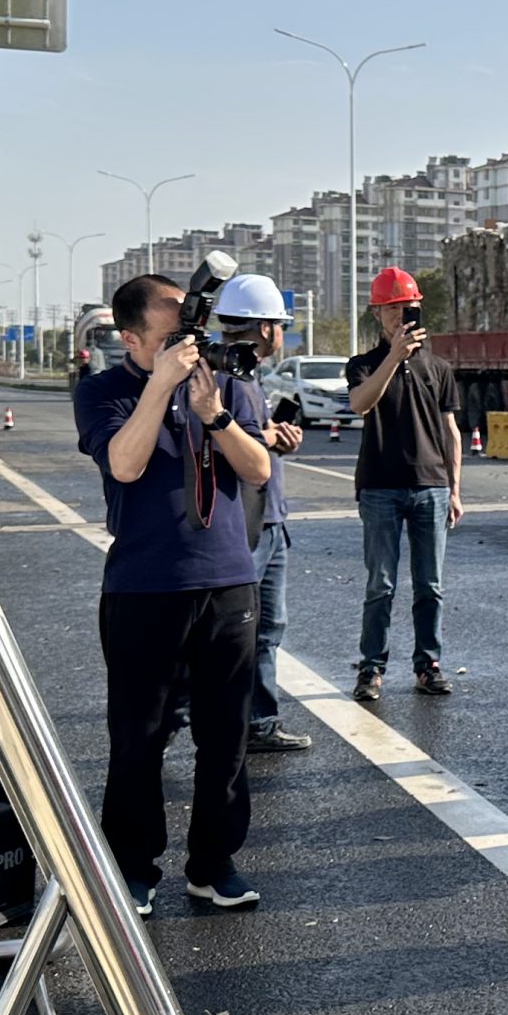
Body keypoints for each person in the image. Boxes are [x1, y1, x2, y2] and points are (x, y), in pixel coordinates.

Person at [74, 272, 275, 917]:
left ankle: (214, 864)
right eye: (170, 338)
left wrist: (215, 415)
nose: (189, 347)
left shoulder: (224, 384)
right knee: (140, 736)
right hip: (144, 587)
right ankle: (133, 868)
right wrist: (161, 386)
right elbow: (125, 463)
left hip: (228, 581)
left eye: (191, 333)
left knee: (227, 736)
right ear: (131, 340)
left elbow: (259, 469)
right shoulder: (102, 391)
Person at [342, 265, 463, 703]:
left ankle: (428, 664)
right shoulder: (363, 365)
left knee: (431, 585)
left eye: (407, 307)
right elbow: (360, 404)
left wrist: (455, 489)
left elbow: (450, 431)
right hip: (380, 486)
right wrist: (393, 357)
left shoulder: (438, 367)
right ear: (377, 313)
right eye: (391, 308)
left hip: (431, 486)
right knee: (381, 584)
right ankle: (372, 668)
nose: (400, 315)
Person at [212, 274, 312, 756]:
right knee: (237, 632)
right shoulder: (229, 378)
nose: (281, 334)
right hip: (247, 525)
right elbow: (231, 443)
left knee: (267, 629)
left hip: (269, 520)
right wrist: (270, 439)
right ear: (266, 327)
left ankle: (259, 721)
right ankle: (182, 720)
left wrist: (273, 437)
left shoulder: (247, 376)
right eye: (280, 326)